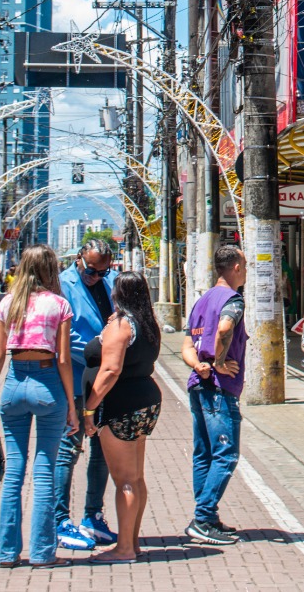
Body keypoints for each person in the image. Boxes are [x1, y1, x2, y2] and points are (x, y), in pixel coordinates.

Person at [0, 244, 76, 568]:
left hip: (13, 382)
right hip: (47, 383)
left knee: (14, 472)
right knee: (45, 469)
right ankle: (42, 552)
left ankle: (7, 553)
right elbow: (63, 360)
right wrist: (72, 406)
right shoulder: (59, 305)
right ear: (51, 269)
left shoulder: (8, 303)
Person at [82, 271, 163, 562]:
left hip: (121, 405)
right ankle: (132, 542)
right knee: (136, 477)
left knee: (125, 481)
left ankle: (125, 547)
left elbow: (110, 370)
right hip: (145, 401)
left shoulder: (122, 324)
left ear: (119, 294)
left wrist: (90, 407)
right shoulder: (147, 323)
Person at [180, 243, 248, 547]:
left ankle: (206, 515)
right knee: (226, 453)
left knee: (204, 453)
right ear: (236, 268)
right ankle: (203, 518)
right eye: (244, 266)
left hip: (198, 384)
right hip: (220, 389)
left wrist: (198, 364)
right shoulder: (233, 300)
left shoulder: (201, 301)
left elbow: (186, 346)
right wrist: (219, 362)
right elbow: (224, 328)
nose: (245, 272)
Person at [54, 238, 120, 551]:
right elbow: (65, 339)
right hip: (78, 379)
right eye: (91, 270)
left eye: (102, 272)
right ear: (79, 258)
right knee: (69, 448)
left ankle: (93, 515)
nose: (95, 277)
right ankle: (59, 519)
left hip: (104, 382)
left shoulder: (110, 282)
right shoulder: (63, 285)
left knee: (102, 449)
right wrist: (104, 354)